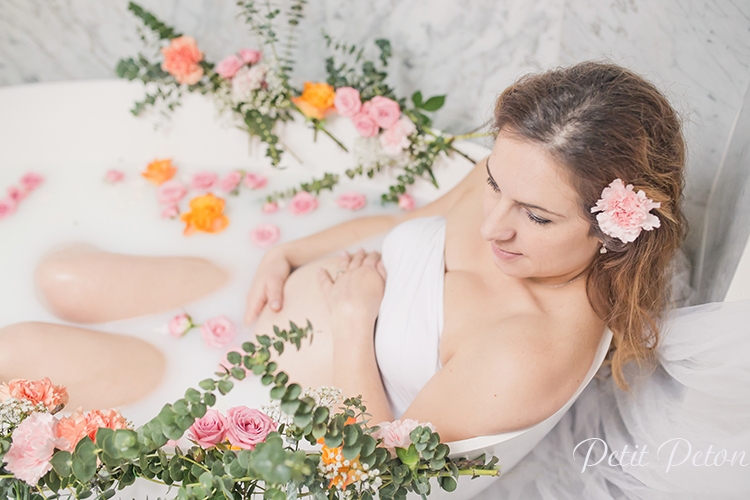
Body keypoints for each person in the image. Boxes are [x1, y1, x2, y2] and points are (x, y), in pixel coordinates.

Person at [245, 61, 686, 443]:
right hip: (242, 349)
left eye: (536, 218)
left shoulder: (528, 355)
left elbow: (380, 476)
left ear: (614, 232)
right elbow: (396, 224)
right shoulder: (520, 174)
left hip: (274, 428)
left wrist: (352, 322)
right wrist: (287, 253)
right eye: (494, 186)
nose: (491, 228)